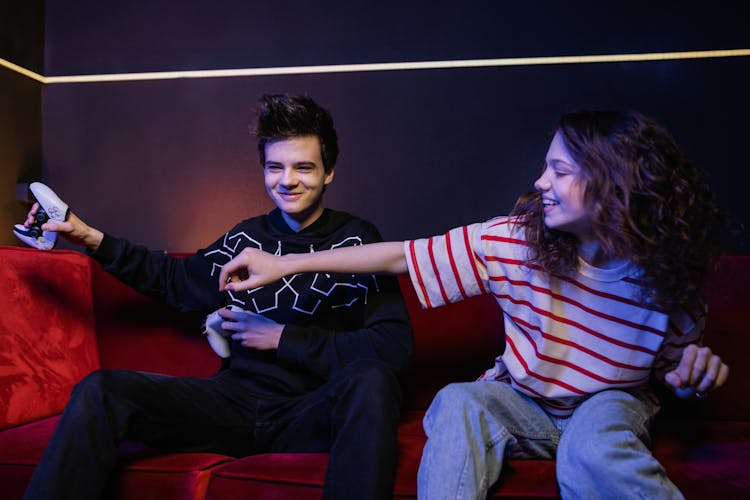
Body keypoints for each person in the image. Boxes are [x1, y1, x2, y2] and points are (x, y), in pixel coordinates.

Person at [219, 110, 730, 499]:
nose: (540, 183)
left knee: (591, 445)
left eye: (558, 171)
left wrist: (691, 371)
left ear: (611, 187)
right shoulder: (514, 243)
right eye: (544, 168)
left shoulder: (665, 277)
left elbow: (672, 368)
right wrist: (285, 265)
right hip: (525, 403)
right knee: (458, 400)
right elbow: (400, 255)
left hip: (608, 405)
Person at [22, 94, 413, 500]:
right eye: (275, 167)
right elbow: (172, 280)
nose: (288, 180)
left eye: (304, 167)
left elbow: (393, 351)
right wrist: (86, 236)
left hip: (310, 411)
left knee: (373, 380)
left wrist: (280, 336)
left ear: (329, 171)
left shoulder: (358, 242)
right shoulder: (245, 238)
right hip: (234, 405)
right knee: (101, 389)